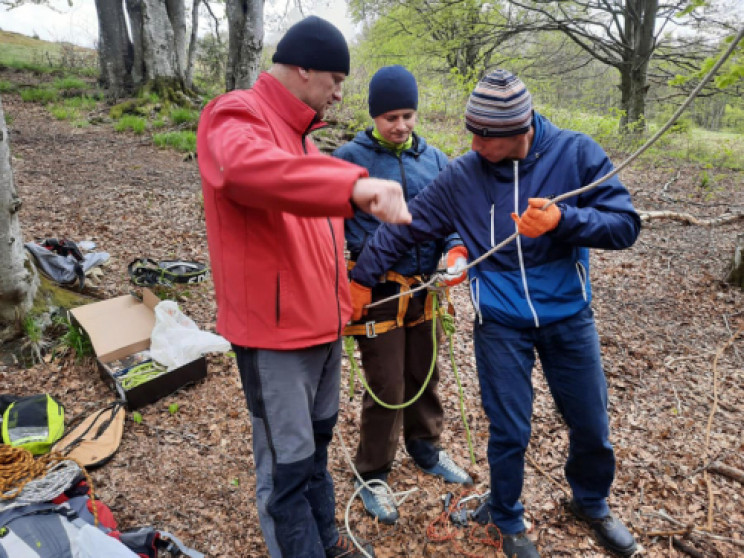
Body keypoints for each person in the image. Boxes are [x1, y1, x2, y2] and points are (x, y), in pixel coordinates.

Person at [347, 70, 641, 558]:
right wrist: (360, 280)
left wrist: (564, 221)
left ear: (520, 128)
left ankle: (591, 502)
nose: (474, 142)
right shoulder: (464, 175)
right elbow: (405, 228)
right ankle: (505, 516)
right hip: (500, 321)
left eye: (486, 135)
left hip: (568, 313)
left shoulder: (575, 154)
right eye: (471, 131)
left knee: (590, 420)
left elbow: (625, 225)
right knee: (509, 427)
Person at [196, 16, 412, 558]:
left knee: (314, 453)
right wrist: (355, 186)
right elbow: (245, 171)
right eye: (335, 80)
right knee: (287, 468)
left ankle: (327, 546)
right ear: (303, 68)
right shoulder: (236, 114)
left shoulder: (304, 142)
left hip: (322, 329)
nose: (340, 94)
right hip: (275, 338)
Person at [333, 65, 473, 525]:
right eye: (390, 116)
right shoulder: (348, 159)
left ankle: (426, 446)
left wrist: (455, 250)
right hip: (376, 292)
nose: (400, 125)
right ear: (375, 115)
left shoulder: (434, 159)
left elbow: (452, 212)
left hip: (425, 288)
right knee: (387, 385)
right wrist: (350, 281)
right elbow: (334, 226)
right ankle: (372, 472)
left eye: (408, 115)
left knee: (422, 374)